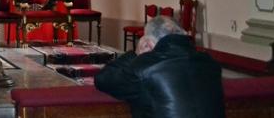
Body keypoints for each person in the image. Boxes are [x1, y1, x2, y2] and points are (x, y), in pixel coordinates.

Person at [94, 16, 224, 118]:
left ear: (148, 43)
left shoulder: (144, 67)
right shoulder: (210, 64)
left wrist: (136, 54)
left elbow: (102, 79)